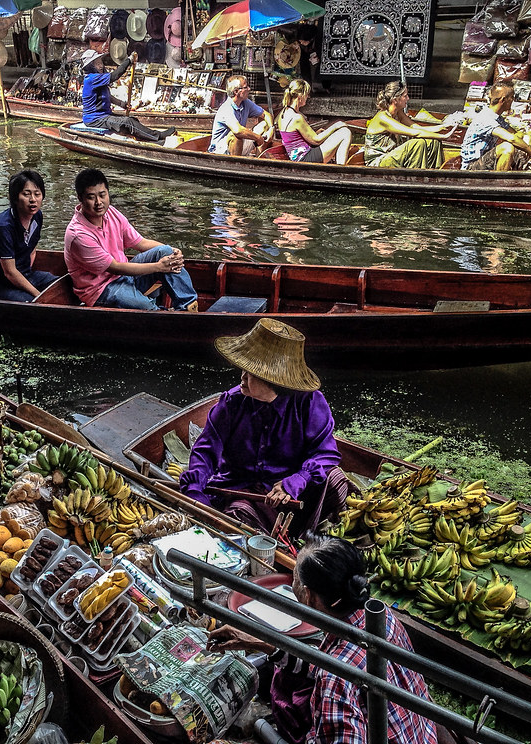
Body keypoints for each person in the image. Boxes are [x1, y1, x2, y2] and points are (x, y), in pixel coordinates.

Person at [207, 535, 437, 744]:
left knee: (286, 688)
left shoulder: (335, 677)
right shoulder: (379, 613)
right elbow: (322, 663)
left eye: (295, 577)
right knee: (287, 675)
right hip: (422, 734)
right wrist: (255, 642)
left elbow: (334, 674)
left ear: (308, 594)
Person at [179, 318, 347, 536]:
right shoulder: (231, 403)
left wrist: (297, 480)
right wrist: (195, 488)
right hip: (245, 490)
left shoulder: (309, 403)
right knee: (240, 516)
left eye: (252, 374)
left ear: (274, 382)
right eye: (244, 369)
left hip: (294, 492)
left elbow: (326, 453)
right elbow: (206, 450)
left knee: (336, 480)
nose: (242, 377)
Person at [64, 167, 197, 311]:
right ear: (80, 199)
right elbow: (115, 267)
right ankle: (163, 314)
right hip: (101, 290)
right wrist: (158, 267)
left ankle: (188, 307)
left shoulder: (112, 213)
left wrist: (173, 251)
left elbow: (141, 243)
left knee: (165, 251)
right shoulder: (78, 234)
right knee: (146, 307)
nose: (98, 202)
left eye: (102, 195)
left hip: (126, 276)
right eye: (91, 197)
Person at [0, 169, 59, 302]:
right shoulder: (3, 227)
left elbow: (32, 247)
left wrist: (27, 275)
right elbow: (9, 272)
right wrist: (38, 294)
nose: (33, 200)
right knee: (31, 302)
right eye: (26, 194)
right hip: (1, 284)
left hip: (25, 274)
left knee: (61, 285)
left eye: (37, 194)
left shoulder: (36, 216)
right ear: (15, 198)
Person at [80, 49, 175, 142]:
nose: (100, 66)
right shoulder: (91, 79)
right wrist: (128, 60)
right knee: (128, 122)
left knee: (132, 120)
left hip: (103, 115)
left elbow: (107, 96)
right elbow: (114, 76)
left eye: (100, 62)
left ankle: (149, 138)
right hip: (95, 119)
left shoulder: (97, 79)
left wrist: (122, 104)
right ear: (90, 67)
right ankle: (158, 136)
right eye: (97, 64)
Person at [364, 81, 453, 169]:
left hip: (392, 155)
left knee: (433, 141)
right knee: (418, 143)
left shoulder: (398, 113)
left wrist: (442, 127)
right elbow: (415, 133)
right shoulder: (383, 117)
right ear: (395, 100)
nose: (408, 98)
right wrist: (444, 136)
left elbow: (417, 127)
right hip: (378, 162)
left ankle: (433, 173)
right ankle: (415, 177)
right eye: (405, 96)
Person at [460, 82, 531, 171]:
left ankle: (529, 175)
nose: (513, 100)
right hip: (472, 166)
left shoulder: (497, 117)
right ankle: (499, 183)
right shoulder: (485, 118)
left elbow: (515, 134)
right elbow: (512, 138)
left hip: (488, 160)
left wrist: (527, 140)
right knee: (507, 148)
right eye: (512, 98)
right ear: (503, 100)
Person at [277, 79, 352, 164]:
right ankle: (340, 170)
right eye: (307, 95)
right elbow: (316, 140)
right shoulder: (297, 118)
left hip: (298, 156)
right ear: (300, 96)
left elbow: (294, 137)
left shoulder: (283, 113)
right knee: (345, 132)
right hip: (305, 158)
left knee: (338, 133)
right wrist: (335, 126)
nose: (308, 97)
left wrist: (316, 132)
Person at [209, 74, 274, 156]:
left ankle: (258, 160)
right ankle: (235, 164)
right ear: (236, 91)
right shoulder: (226, 108)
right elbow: (238, 131)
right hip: (220, 150)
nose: (249, 89)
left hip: (240, 144)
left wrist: (272, 128)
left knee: (265, 125)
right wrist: (257, 138)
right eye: (246, 87)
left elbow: (266, 114)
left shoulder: (245, 102)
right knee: (236, 135)